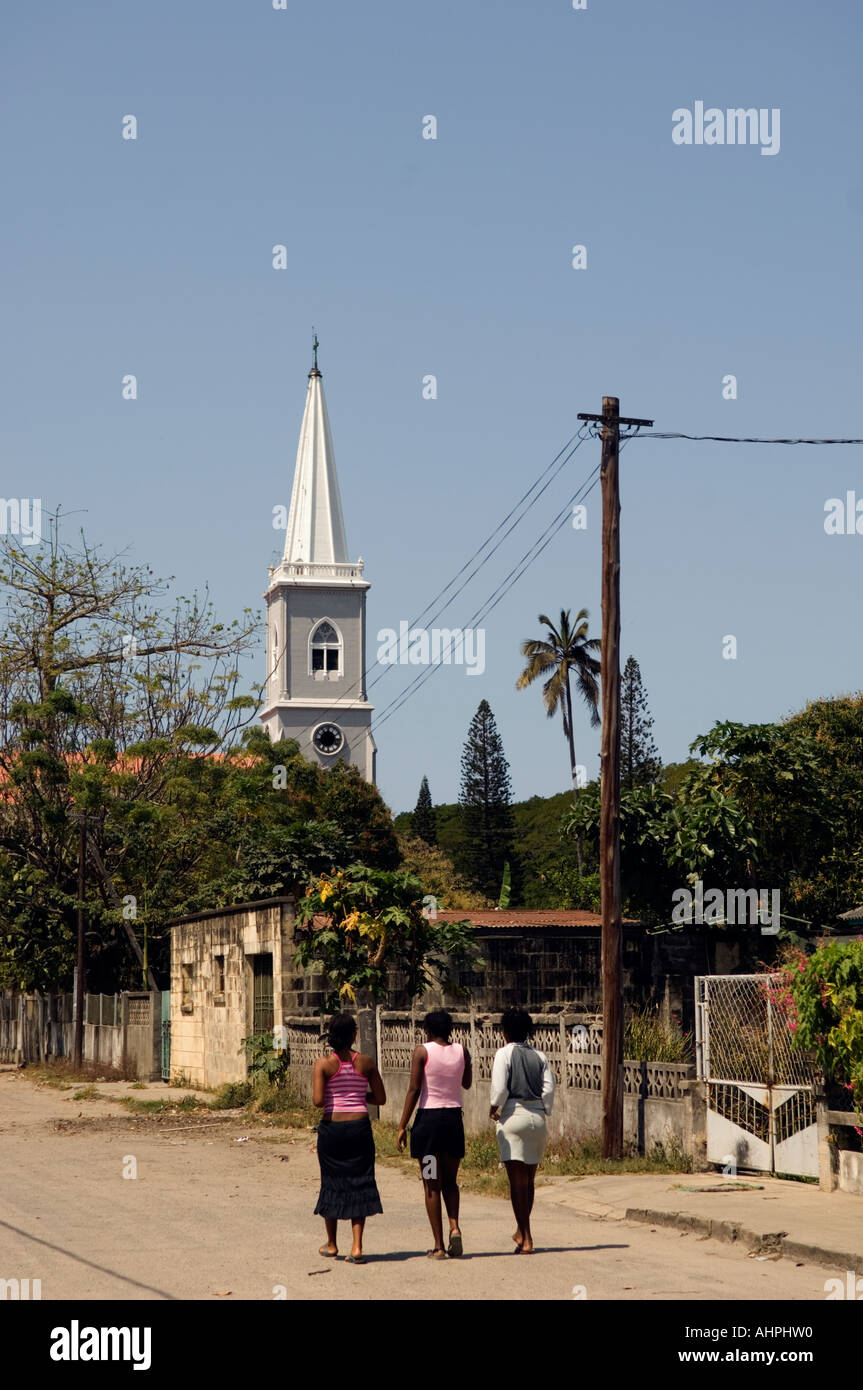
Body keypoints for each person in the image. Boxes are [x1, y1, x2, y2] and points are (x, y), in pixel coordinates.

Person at [397, 1009, 472, 1259]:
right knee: (450, 1181)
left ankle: (439, 1246)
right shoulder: (462, 1051)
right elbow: (467, 1083)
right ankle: (455, 1226)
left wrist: (401, 1125)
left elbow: (414, 1090)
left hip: (428, 1125)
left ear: (427, 1030)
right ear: (449, 1029)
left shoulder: (422, 1051)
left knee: (431, 1183)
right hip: (453, 1122)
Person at [312, 1011, 386, 1264]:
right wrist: (359, 1096)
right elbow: (381, 1099)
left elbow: (319, 1101)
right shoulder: (366, 1062)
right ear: (354, 1035)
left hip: (332, 1130)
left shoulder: (323, 1064)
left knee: (331, 1181)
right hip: (359, 1129)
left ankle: (331, 1244)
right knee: (360, 1181)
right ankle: (356, 1247)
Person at [490, 1008, 555, 1254]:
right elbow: (548, 1089)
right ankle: (521, 1231)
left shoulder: (503, 1053)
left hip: (513, 1117)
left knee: (516, 1182)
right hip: (537, 1119)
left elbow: (499, 1089)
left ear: (505, 1031)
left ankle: (526, 1236)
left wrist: (494, 1107)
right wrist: (544, 1110)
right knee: (529, 1180)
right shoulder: (540, 1055)